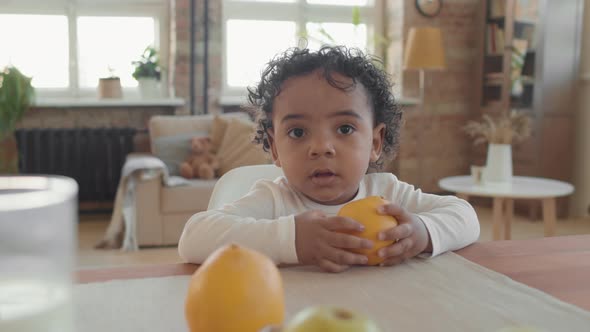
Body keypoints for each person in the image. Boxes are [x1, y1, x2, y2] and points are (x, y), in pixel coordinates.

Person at [178, 46, 479, 272]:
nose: (321, 147)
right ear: (274, 148)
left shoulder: (389, 195)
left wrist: (422, 233)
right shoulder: (273, 202)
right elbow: (193, 238)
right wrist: (292, 239)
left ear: (375, 142)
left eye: (344, 128)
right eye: (297, 132)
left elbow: (466, 216)